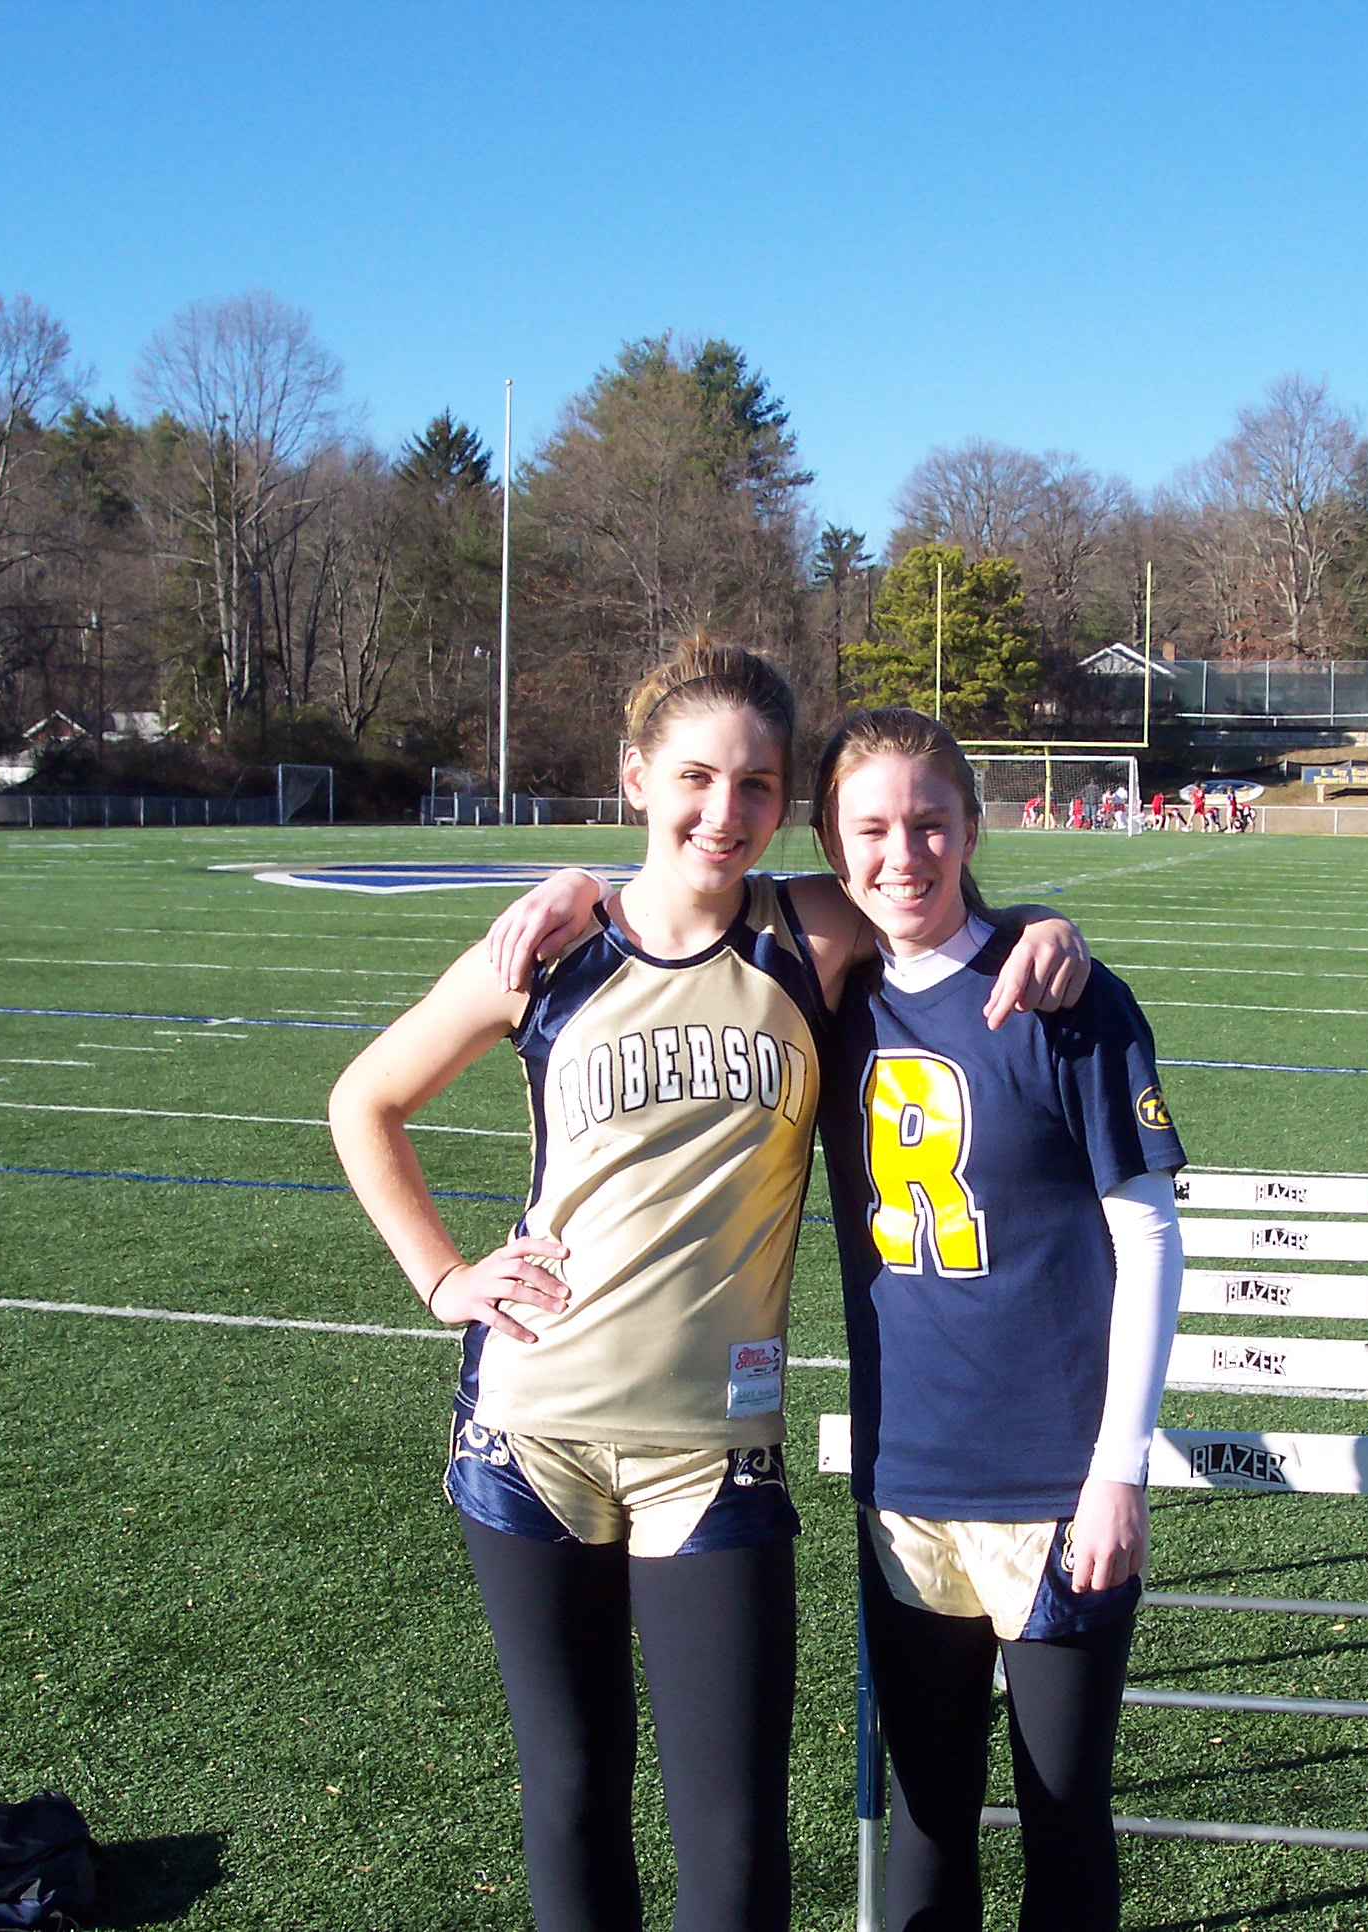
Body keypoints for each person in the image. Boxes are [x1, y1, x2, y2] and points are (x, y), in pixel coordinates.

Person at [332, 639, 1089, 1932]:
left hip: (713, 1454)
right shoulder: (548, 950)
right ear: (637, 777)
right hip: (531, 1433)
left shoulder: (808, 934)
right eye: (695, 777)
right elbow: (366, 1101)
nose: (722, 811)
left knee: (736, 1854)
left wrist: (1044, 928)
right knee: (573, 1796)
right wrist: (446, 1276)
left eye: (755, 786)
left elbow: (937, 904)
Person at [808, 708, 1186, 1932]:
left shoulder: (1065, 996)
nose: (902, 855)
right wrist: (571, 889)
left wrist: (1119, 1471)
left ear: (974, 827)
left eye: (930, 823)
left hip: (1053, 1491)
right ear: (831, 846)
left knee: (1064, 1821)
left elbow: (1150, 1238)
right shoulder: (829, 1001)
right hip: (906, 1482)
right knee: (926, 1822)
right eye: (870, 829)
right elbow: (690, 895)